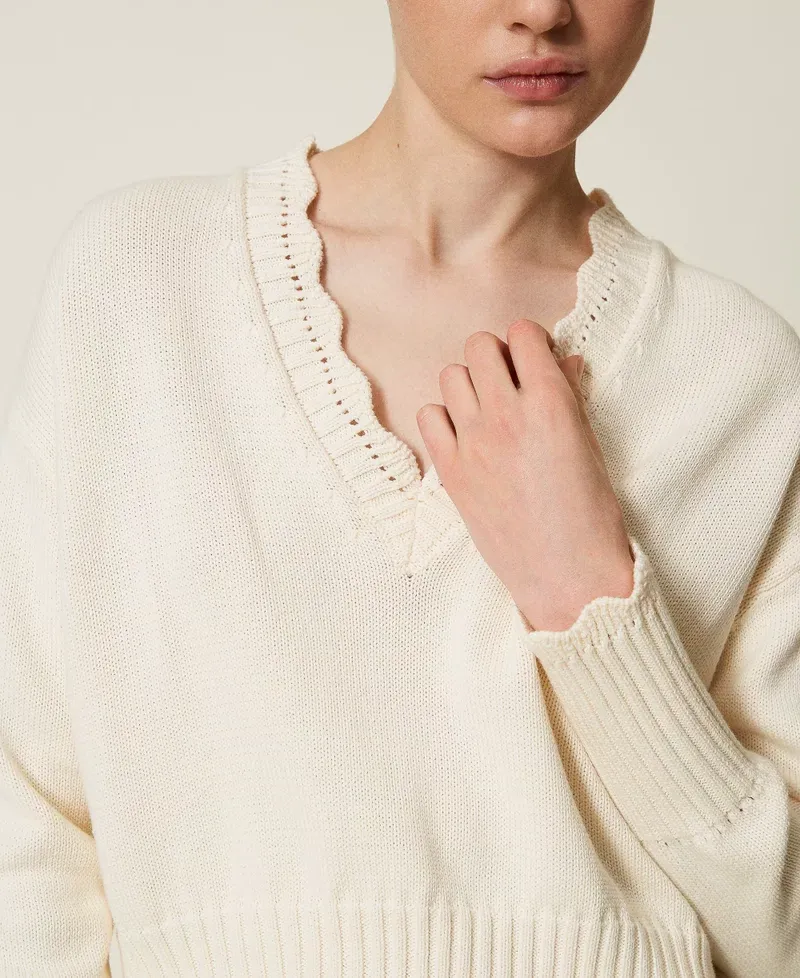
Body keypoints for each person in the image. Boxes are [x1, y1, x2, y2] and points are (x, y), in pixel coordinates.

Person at [1, 0, 798, 975]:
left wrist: (590, 594)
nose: (542, 12)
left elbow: (783, 933)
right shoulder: (140, 285)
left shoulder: (739, 374)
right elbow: (24, 811)